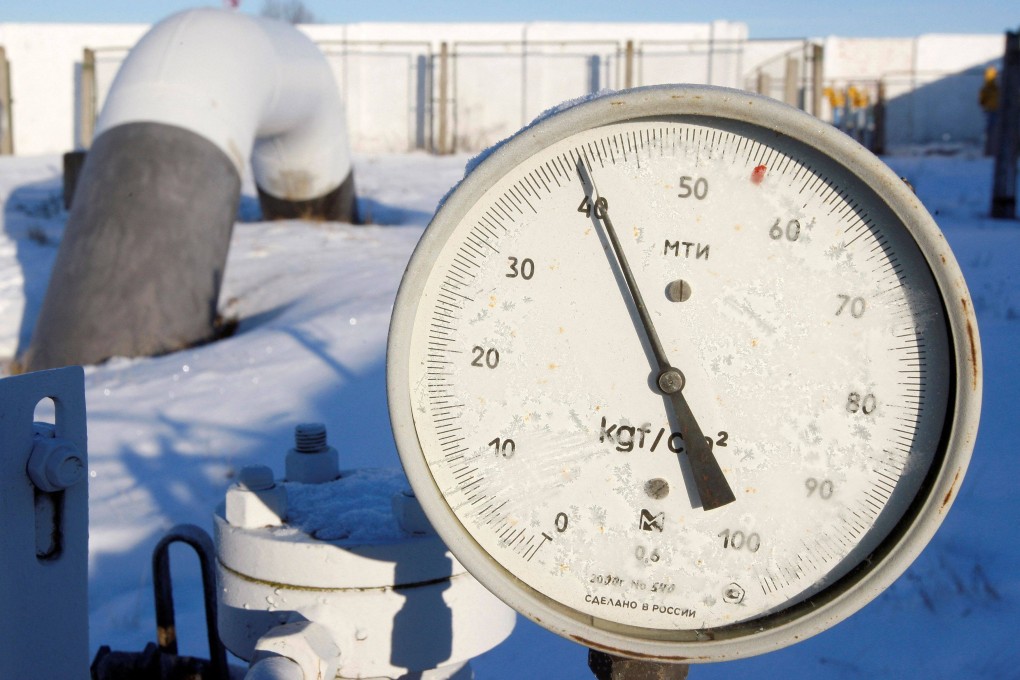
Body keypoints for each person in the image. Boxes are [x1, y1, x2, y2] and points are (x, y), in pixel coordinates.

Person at [978, 66, 1000, 156]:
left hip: (990, 111)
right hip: (994, 111)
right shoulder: (996, 88)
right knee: (994, 131)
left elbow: (981, 101)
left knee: (990, 131)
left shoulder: (986, 88)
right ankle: (992, 150)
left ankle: (990, 150)